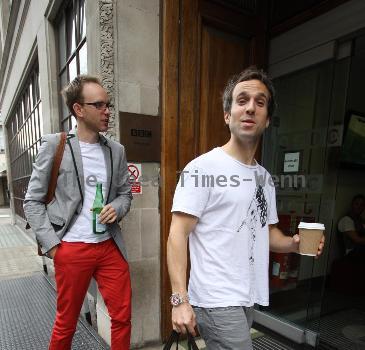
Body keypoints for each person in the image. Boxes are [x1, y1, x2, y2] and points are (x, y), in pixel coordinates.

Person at [167, 67, 325, 350]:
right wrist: (179, 300)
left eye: (260, 102)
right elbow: (177, 235)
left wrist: (293, 244)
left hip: (247, 296)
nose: (251, 107)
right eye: (242, 100)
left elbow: (266, 232)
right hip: (216, 299)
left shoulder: (264, 178)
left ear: (267, 120)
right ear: (228, 115)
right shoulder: (202, 169)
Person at [24, 75, 132, 350]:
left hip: (108, 246)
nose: (107, 110)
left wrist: (116, 208)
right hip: (71, 248)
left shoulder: (116, 151)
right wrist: (53, 247)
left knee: (122, 317)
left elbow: (125, 195)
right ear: (79, 109)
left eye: (108, 104)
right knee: (66, 322)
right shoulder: (56, 145)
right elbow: (32, 201)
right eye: (99, 105)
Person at [338, 194, 365, 262]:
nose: (359, 207)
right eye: (357, 204)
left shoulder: (360, 220)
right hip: (350, 255)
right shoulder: (346, 220)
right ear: (352, 205)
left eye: (362, 205)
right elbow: (357, 240)